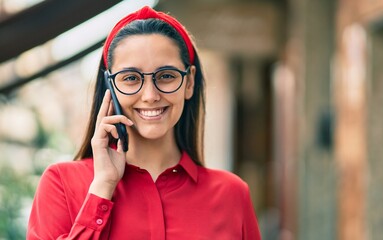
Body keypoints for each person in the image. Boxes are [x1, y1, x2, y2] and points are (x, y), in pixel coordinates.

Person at [27, 6, 261, 240]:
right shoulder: (61, 184)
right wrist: (102, 188)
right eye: (130, 78)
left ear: (189, 82)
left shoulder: (232, 194)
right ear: (110, 86)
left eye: (166, 76)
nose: (150, 95)